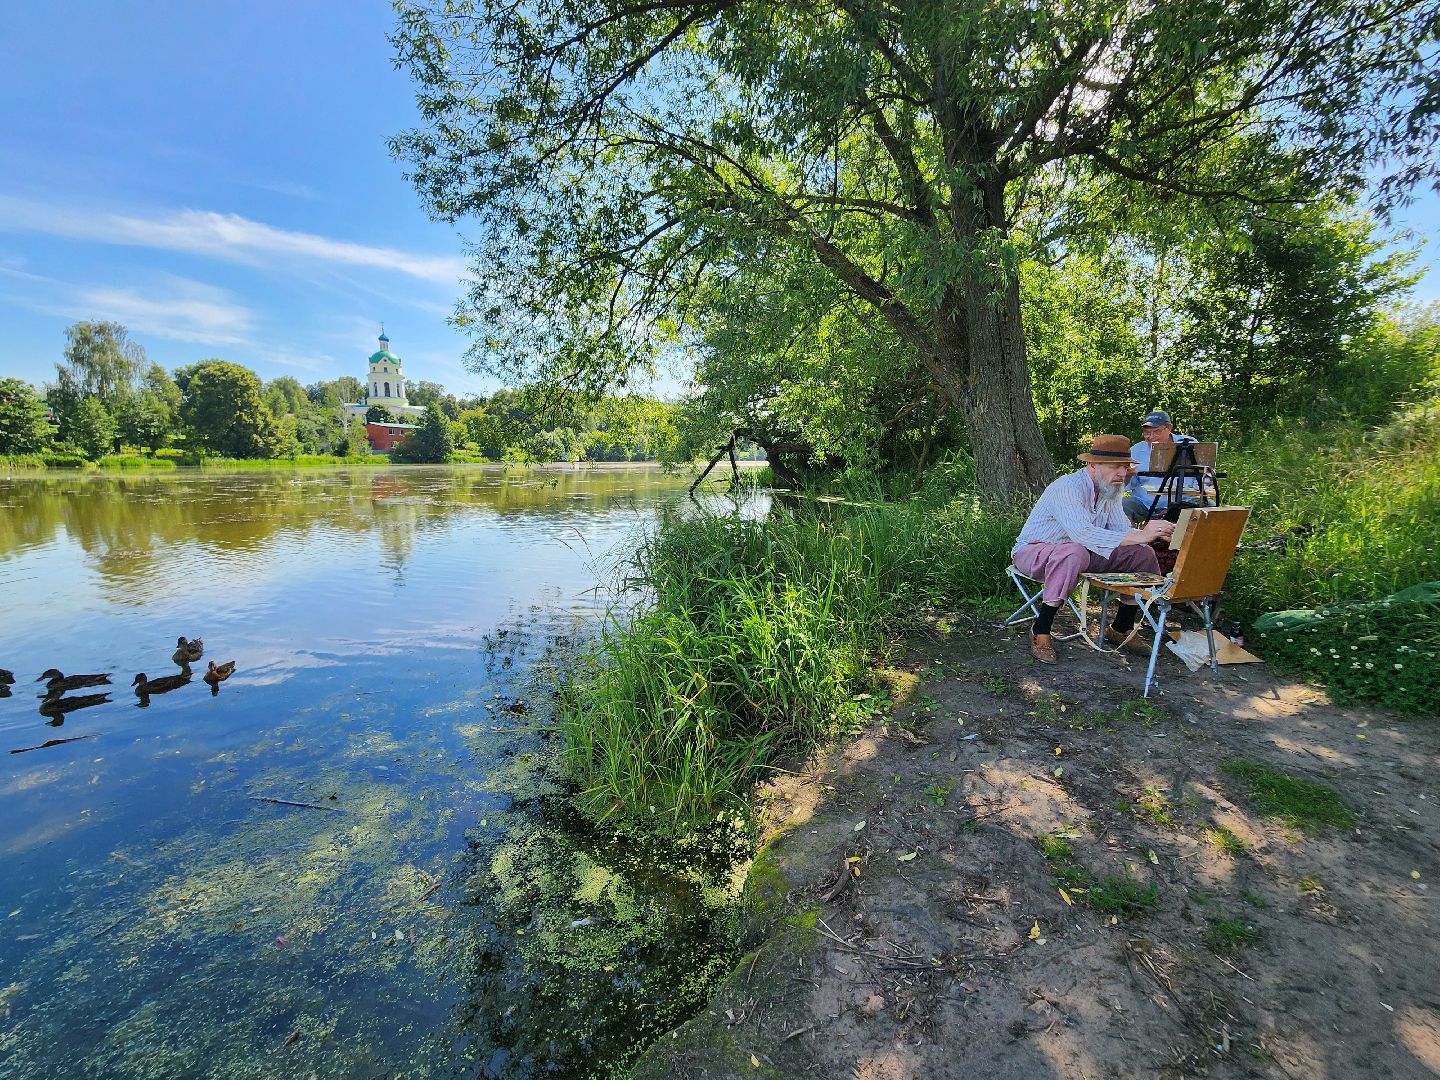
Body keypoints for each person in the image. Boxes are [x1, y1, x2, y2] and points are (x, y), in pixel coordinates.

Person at [1013, 434, 1175, 664]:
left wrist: (1154, 535)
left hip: (1084, 553)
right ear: (1092, 465)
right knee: (1074, 551)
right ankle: (1041, 630)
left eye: (1126, 466)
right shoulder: (1067, 487)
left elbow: (1120, 531)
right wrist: (1142, 534)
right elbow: (1083, 534)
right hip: (1035, 552)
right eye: (1115, 467)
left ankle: (1120, 628)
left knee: (1142, 554)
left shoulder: (1111, 490)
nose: (1123, 473)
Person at [1123, 410, 1202, 524]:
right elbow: (1127, 486)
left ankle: (1194, 541)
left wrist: (1201, 485)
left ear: (1169, 428)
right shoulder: (1135, 451)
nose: (1151, 436)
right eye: (1147, 432)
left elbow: (1204, 473)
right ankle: (1131, 539)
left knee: (1210, 509)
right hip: (1146, 504)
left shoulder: (1188, 443)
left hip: (1185, 502)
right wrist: (1127, 476)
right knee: (1122, 506)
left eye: (1156, 431)